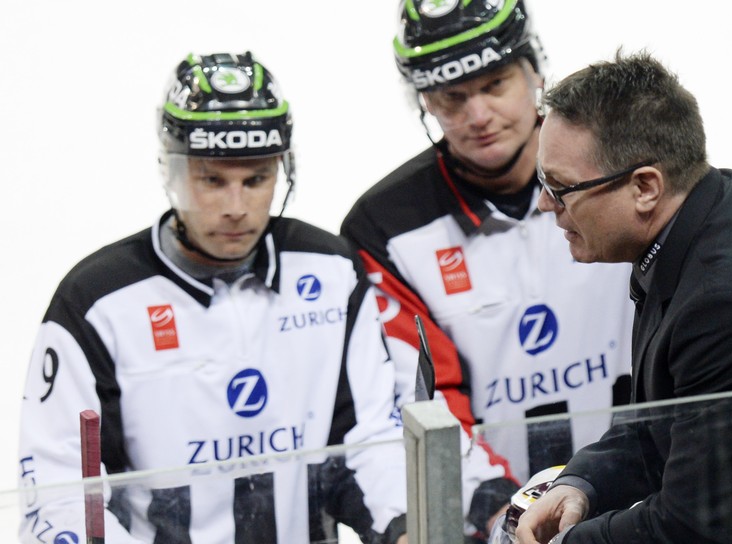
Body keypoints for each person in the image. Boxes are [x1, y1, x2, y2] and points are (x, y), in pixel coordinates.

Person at [17, 51, 407, 544]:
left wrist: (402, 527)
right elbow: (60, 495)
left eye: (257, 179)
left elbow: (369, 439)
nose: (236, 207)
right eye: (213, 180)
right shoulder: (95, 302)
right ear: (170, 171)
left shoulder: (332, 270)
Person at [515, 49, 732, 543]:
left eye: (560, 187)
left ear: (644, 187)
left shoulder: (730, 302)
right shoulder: (700, 216)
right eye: (542, 180)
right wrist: (584, 483)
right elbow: (659, 422)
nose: (544, 204)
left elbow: (693, 526)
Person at [340, 1, 635, 540]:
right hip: (498, 520)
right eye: (452, 97)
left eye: (495, 83)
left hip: (644, 496)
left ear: (535, 72)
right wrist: (507, 511)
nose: (477, 116)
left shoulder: (622, 162)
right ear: (423, 101)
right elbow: (419, 399)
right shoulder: (383, 226)